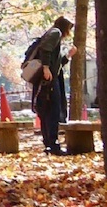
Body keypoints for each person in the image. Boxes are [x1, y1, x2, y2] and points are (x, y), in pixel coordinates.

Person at [30, 15, 76, 156]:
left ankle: (49, 143)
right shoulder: (55, 33)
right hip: (48, 80)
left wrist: (68, 56)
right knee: (53, 110)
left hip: (50, 78)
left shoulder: (54, 35)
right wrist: (45, 67)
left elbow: (57, 63)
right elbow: (45, 49)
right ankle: (53, 144)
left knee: (47, 110)